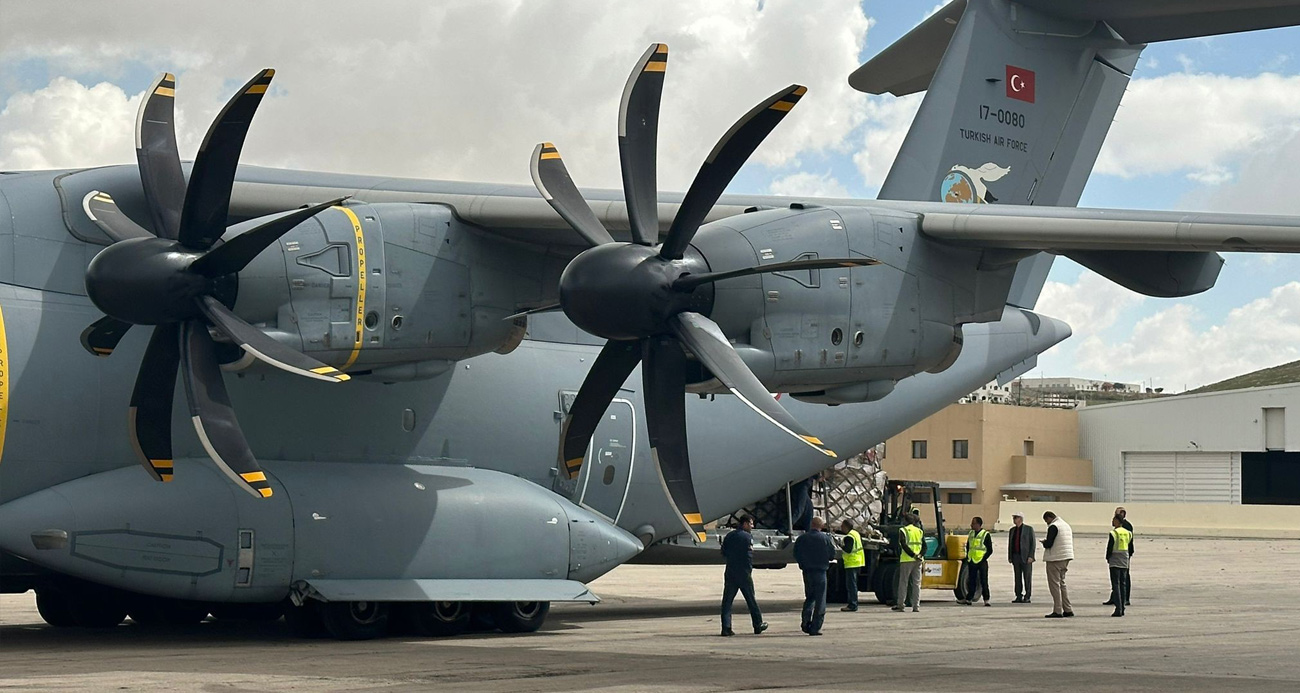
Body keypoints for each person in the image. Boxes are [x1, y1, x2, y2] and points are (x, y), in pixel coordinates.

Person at [719, 516, 768, 636]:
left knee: (727, 601)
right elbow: (749, 556)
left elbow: (723, 552)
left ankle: (726, 627)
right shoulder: (747, 537)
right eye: (751, 524)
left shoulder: (729, 536)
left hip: (730, 571)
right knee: (751, 600)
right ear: (745, 524)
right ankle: (758, 624)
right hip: (744, 572)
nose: (752, 526)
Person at [793, 516, 835, 635]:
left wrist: (803, 563)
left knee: (809, 598)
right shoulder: (826, 538)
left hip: (807, 571)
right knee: (820, 600)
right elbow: (832, 554)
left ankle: (805, 622)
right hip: (820, 572)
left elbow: (796, 553)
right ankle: (815, 627)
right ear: (821, 526)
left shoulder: (802, 538)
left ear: (811, 525)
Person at [1040, 510, 1075, 618]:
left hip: (1055, 558)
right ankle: (1067, 609)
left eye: (1046, 521)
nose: (1047, 523)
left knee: (1054, 584)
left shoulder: (1054, 526)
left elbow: (1049, 544)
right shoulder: (1065, 525)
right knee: (1062, 583)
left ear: (1049, 518)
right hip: (1066, 557)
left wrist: (1044, 542)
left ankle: (1057, 610)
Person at [892, 513, 924, 613]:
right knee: (916, 583)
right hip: (918, 560)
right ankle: (916, 606)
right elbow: (924, 545)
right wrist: (919, 555)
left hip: (907, 559)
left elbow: (904, 545)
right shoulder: (919, 531)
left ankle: (901, 605)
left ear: (905, 521)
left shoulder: (903, 530)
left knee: (903, 583)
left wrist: (912, 555)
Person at [958, 516, 993, 606]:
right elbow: (969, 546)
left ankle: (986, 599)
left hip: (981, 561)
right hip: (972, 560)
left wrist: (983, 558)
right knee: (971, 580)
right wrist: (968, 557)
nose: (971, 525)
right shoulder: (971, 533)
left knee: (983, 581)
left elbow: (990, 550)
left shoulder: (985, 534)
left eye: (973, 523)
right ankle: (969, 598)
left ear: (978, 524)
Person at [1105, 506, 1134, 607]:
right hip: (1124, 554)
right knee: (1119, 580)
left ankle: (1124, 599)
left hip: (1120, 555)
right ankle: (1115, 598)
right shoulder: (1119, 529)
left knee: (1121, 580)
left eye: (1116, 515)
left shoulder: (1126, 527)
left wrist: (1108, 557)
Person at [1007, 511, 1036, 604]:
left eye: (1016, 517)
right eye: (1014, 518)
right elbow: (1010, 544)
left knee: (1027, 577)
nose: (1014, 519)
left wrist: (1031, 556)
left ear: (1020, 519)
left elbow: (1032, 544)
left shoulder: (1028, 529)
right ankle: (1018, 595)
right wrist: (1010, 556)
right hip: (1016, 556)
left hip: (1026, 557)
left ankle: (1027, 596)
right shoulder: (1012, 530)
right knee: (1017, 577)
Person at [839, 519, 865, 612]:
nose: (841, 528)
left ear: (846, 527)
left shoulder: (849, 537)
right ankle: (853, 603)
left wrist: (840, 545)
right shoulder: (856, 533)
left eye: (842, 526)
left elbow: (848, 550)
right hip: (858, 561)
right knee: (853, 584)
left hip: (852, 563)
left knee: (851, 585)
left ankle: (852, 604)